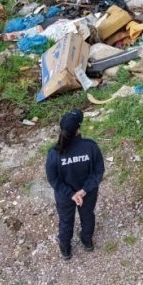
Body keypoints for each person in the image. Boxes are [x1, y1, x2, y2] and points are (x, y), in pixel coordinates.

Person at [45, 110, 105, 260]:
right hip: (88, 193)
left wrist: (71, 194)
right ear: (78, 129)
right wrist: (83, 191)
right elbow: (98, 172)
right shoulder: (91, 147)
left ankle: (65, 249)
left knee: (65, 221)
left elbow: (53, 180)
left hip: (65, 196)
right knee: (87, 216)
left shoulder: (54, 153)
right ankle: (87, 242)